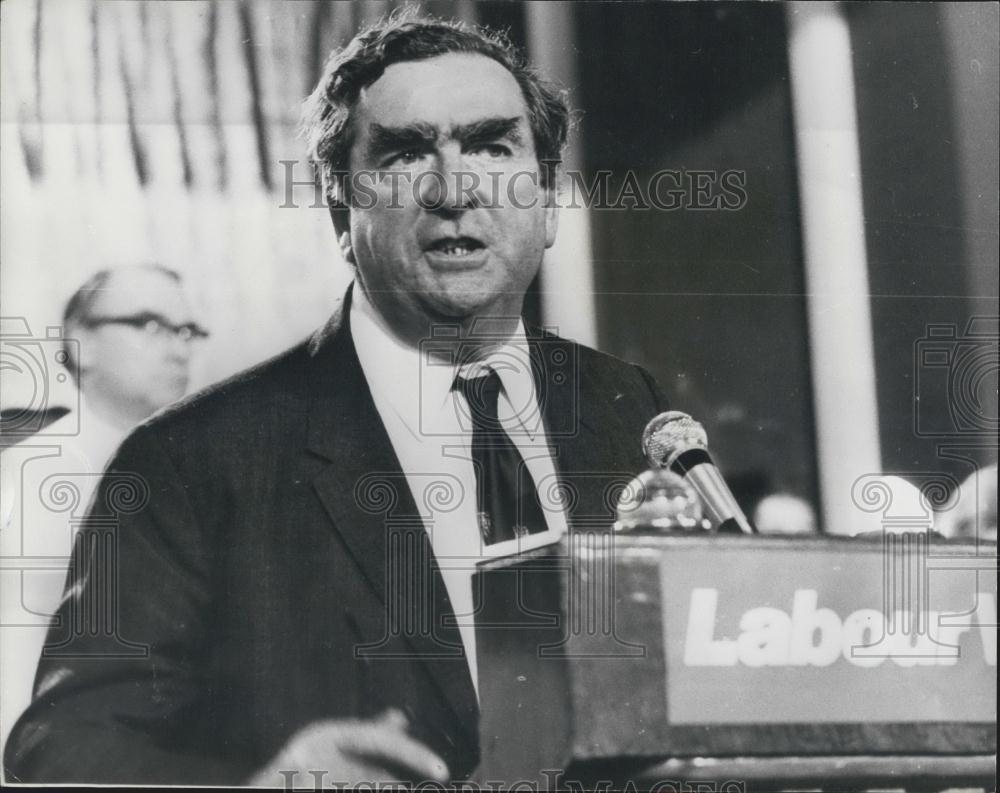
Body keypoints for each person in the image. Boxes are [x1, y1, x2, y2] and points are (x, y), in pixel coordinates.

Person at [3, 15, 667, 786]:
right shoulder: (188, 459)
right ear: (337, 212)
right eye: (405, 152)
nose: (454, 190)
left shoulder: (629, 406)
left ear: (548, 199)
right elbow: (60, 751)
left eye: (492, 145)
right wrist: (265, 785)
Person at [0, 265, 204, 751]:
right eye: (150, 325)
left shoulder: (207, 471)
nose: (178, 348)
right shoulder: (20, 474)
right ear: (80, 345)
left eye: (187, 331)